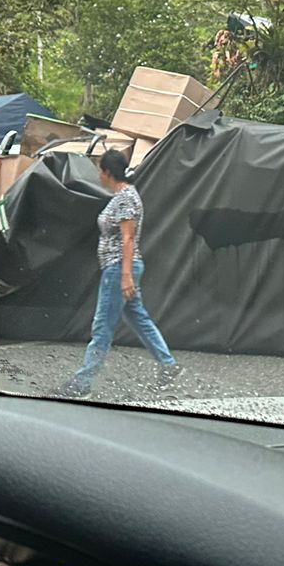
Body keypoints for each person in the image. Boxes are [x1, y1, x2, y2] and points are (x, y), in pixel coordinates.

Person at [63, 149, 182, 397]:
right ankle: (168, 364)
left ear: (107, 172)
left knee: (102, 326)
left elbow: (128, 239)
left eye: (99, 170)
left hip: (118, 268)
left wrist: (125, 276)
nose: (98, 174)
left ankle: (82, 383)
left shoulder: (125, 198)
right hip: (120, 267)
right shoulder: (123, 196)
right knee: (138, 317)